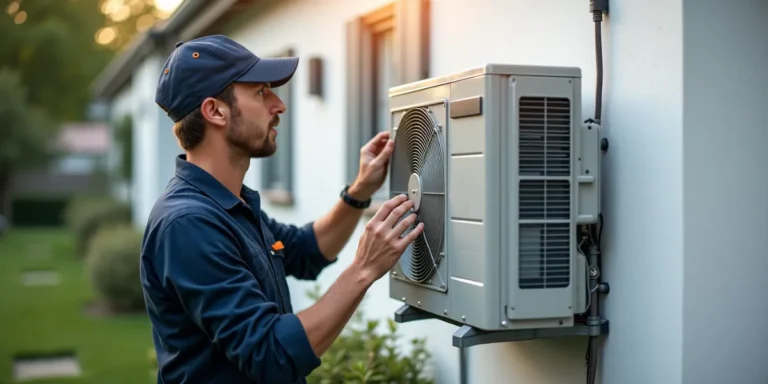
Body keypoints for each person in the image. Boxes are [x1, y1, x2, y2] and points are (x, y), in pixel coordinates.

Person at [139, 34, 424, 384]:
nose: (279, 105)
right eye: (261, 92)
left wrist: (360, 190)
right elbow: (271, 355)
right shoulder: (188, 224)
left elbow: (307, 250)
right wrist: (364, 269)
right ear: (215, 111)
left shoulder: (231, 204)